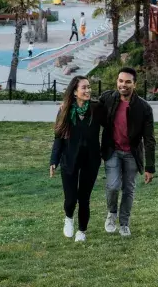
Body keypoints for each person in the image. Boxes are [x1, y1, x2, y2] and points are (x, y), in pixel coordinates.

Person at [98, 67, 156, 237]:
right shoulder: (108, 98)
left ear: (134, 84)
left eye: (128, 82)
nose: (123, 85)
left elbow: (149, 139)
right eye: (121, 81)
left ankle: (124, 223)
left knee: (128, 189)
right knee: (113, 185)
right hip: (112, 150)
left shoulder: (144, 108)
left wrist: (150, 167)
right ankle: (111, 214)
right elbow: (90, 108)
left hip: (132, 153)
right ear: (117, 82)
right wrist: (69, 103)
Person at [49, 75, 103, 242]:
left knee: (84, 198)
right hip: (69, 159)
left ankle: (82, 230)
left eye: (89, 87)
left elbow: (111, 101)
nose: (88, 90)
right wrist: (54, 160)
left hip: (91, 160)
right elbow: (58, 136)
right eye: (84, 88)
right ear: (74, 92)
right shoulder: (65, 110)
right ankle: (68, 218)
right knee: (71, 198)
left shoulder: (96, 108)